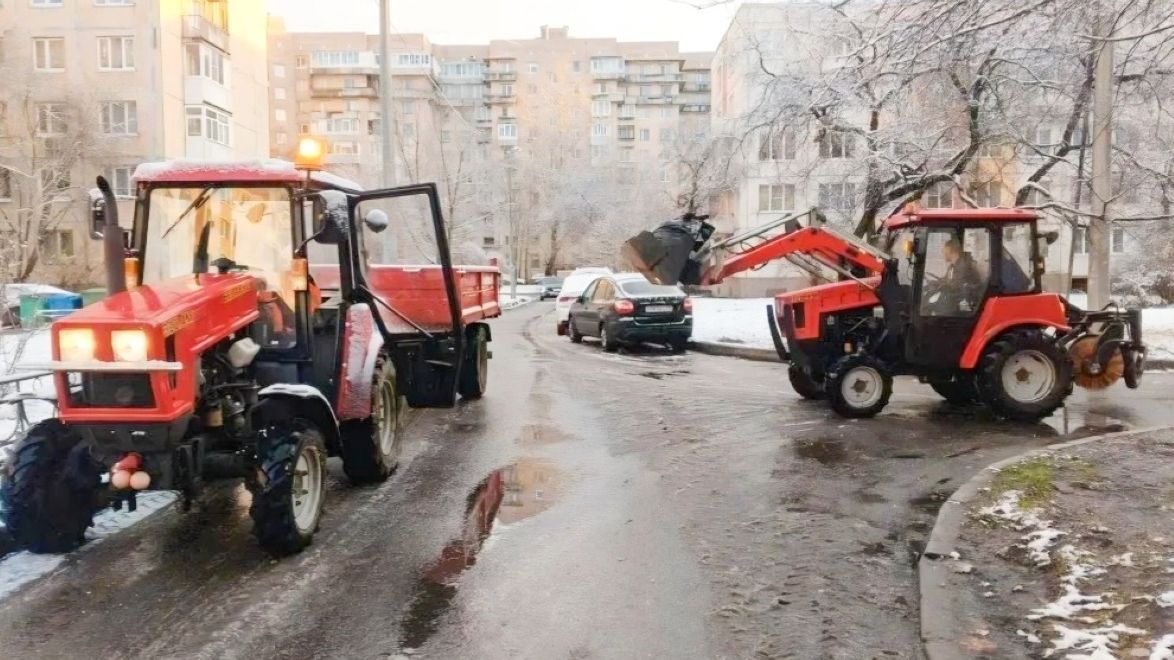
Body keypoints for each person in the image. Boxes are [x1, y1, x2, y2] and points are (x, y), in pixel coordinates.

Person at [938, 238, 984, 312]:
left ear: (949, 250)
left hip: (967, 304)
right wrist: (936, 283)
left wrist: (944, 286)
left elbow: (956, 286)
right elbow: (947, 280)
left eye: (944, 249)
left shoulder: (964, 267)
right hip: (960, 300)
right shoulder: (953, 266)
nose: (942, 251)